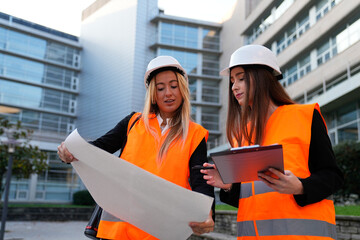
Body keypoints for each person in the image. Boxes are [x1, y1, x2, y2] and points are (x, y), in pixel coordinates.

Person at [57, 56, 215, 239]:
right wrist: (69, 152)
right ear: (152, 95)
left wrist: (207, 214)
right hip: (117, 232)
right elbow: (97, 149)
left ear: (183, 89)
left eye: (174, 86)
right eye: (160, 88)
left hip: (160, 232)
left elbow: (201, 180)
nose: (168, 93)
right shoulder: (133, 122)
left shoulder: (195, 134)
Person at [201, 45, 343, 240]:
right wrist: (228, 186)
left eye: (241, 78)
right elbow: (250, 198)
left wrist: (301, 187)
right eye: (232, 81)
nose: (234, 86)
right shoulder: (241, 135)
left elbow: (333, 176)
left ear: (263, 79)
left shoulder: (305, 117)